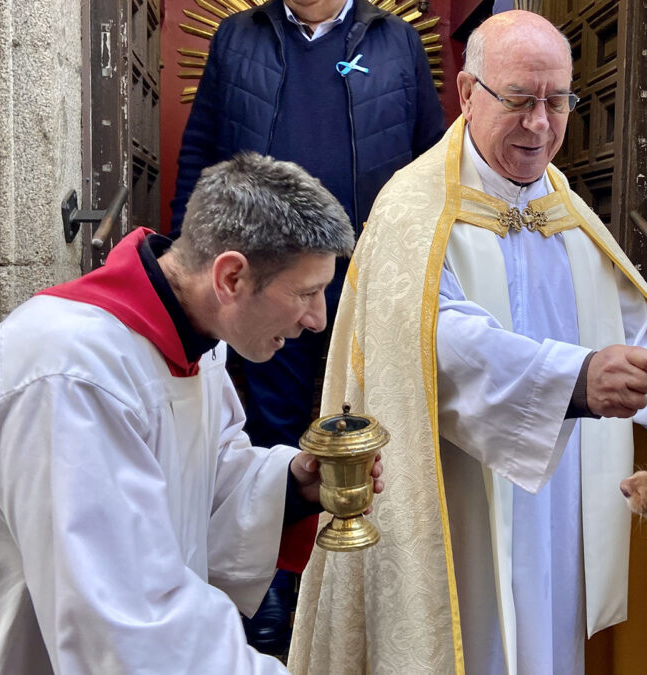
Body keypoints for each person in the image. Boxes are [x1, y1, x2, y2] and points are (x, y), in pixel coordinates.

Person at [288, 11, 647, 674]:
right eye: (519, 101)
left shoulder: (566, 209)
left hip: (562, 502)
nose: (541, 125)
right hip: (456, 497)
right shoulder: (415, 211)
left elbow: (640, 341)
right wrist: (575, 380)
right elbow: (438, 347)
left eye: (559, 102)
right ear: (467, 93)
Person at [0, 153, 384, 673]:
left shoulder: (198, 343)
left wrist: (291, 486)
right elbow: (128, 623)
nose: (317, 319)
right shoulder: (69, 373)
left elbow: (198, 483)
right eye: (307, 293)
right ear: (230, 279)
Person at [171, 3, 443, 644]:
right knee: (263, 419)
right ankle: (265, 591)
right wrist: (198, 255)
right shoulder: (238, 36)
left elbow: (432, 162)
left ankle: (354, 596)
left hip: (371, 277)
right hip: (262, 281)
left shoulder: (396, 41)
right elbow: (201, 155)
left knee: (358, 418)